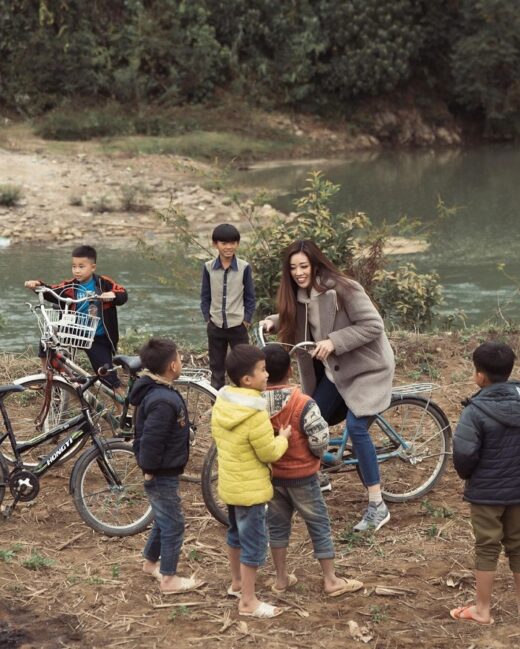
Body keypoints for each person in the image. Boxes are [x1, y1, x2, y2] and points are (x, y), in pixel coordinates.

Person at [262, 239, 394, 532]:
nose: (298, 272)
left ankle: (377, 504)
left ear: (315, 264)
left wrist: (334, 341)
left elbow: (373, 326)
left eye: (304, 266)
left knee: (356, 427)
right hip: (335, 371)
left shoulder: (344, 288)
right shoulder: (300, 292)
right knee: (307, 416)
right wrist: (274, 321)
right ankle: (317, 474)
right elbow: (301, 316)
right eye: (293, 267)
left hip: (365, 369)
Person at [263, 343, 364, 596]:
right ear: (290, 370)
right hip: (303, 477)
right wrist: (315, 457)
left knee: (277, 527)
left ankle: (281, 579)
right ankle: (331, 580)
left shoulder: (255, 404)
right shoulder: (303, 403)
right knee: (318, 524)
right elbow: (320, 440)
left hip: (274, 478)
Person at [211, 344, 291, 618]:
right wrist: (283, 438)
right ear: (247, 379)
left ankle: (236, 583)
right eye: (262, 370)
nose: (268, 374)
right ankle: (248, 601)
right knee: (254, 545)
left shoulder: (223, 403)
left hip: (231, 486)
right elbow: (269, 452)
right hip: (252, 492)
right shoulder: (255, 414)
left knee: (235, 534)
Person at [451, 341, 520, 625]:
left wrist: (470, 477)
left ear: (480, 376)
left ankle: (482, 610)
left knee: (487, 548)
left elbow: (464, 455)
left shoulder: (474, 411)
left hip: (486, 495)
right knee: (518, 546)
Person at [130, 337, 205, 595]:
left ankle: (151, 563)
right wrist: (150, 469)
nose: (182, 362)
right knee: (174, 524)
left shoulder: (160, 390)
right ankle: (169, 579)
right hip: (160, 473)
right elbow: (151, 440)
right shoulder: (162, 400)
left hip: (165, 471)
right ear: (173, 366)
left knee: (164, 519)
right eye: (181, 358)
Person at [24, 244, 127, 392]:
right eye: (74, 266)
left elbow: (123, 294)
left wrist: (112, 295)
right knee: (47, 339)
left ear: (93, 267)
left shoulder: (103, 283)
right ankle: (46, 375)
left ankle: (121, 412)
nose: (77, 270)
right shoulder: (71, 286)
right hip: (74, 331)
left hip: (97, 337)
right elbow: (52, 291)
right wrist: (38, 285)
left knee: (108, 378)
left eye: (81, 266)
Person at [200, 223, 256, 390]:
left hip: (238, 325)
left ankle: (243, 402)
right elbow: (205, 296)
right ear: (215, 244)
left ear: (237, 244)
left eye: (232, 243)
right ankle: (217, 404)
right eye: (224, 243)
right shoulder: (209, 267)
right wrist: (207, 318)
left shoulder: (244, 267)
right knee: (217, 368)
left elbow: (250, 297)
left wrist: (246, 319)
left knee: (243, 366)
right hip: (215, 325)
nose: (228, 247)